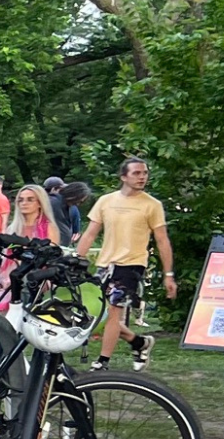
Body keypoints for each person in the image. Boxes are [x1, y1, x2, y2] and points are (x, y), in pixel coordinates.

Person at [76, 156, 178, 370]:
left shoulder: (152, 205)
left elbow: (162, 239)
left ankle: (103, 361)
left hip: (131, 264)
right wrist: (77, 259)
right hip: (106, 264)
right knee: (94, 314)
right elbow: (90, 233)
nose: (142, 177)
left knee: (114, 311)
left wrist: (168, 275)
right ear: (124, 177)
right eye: (137, 173)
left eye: (145, 173)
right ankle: (138, 342)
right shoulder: (106, 201)